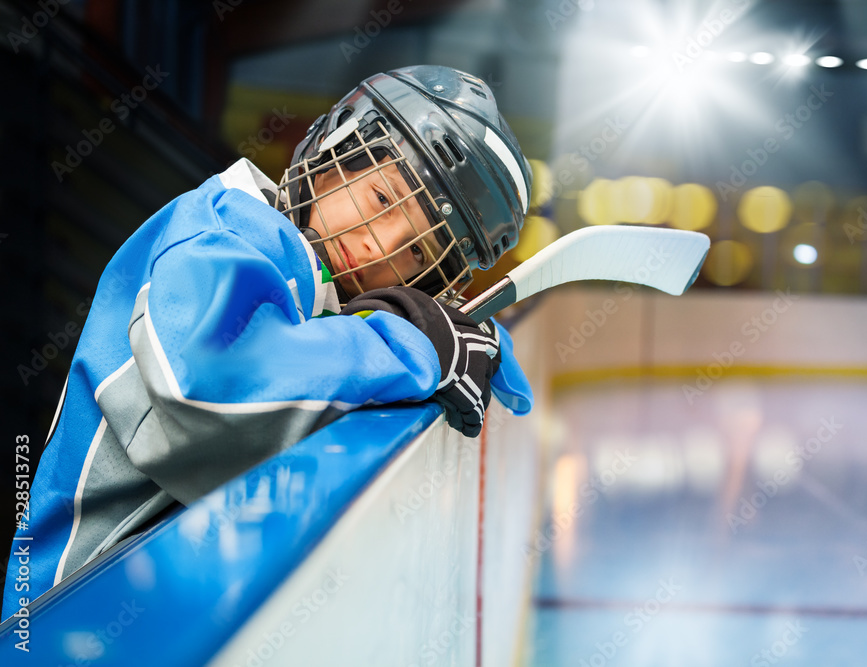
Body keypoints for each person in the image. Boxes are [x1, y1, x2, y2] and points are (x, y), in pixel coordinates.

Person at [2, 65, 533, 620]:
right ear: (338, 148)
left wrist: (445, 333)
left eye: (419, 253)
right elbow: (209, 387)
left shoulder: (321, 292)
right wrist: (409, 346)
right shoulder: (223, 229)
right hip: (59, 627)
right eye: (381, 197)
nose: (384, 245)